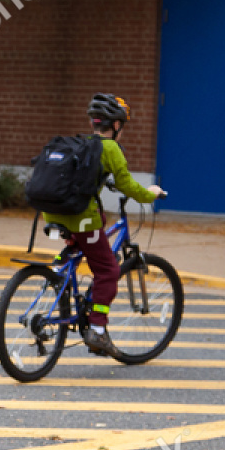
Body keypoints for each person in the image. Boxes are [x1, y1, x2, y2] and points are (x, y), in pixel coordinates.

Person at [42, 94, 164, 358]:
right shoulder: (110, 150)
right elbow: (127, 185)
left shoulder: (81, 144)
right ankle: (97, 329)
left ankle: (66, 258)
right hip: (81, 219)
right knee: (108, 270)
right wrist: (150, 194)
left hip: (52, 213)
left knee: (98, 222)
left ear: (92, 124)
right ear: (117, 126)